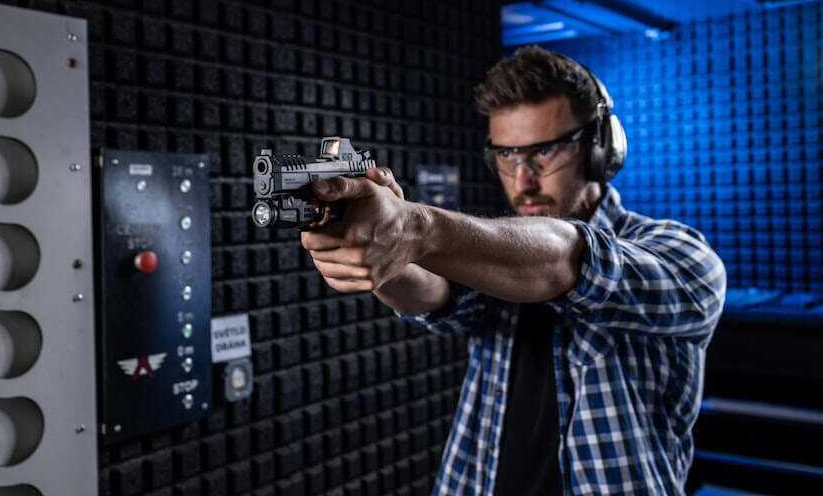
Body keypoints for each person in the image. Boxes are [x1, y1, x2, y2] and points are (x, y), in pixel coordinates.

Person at [300, 45, 726, 495]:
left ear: (600, 149)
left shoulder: (683, 256)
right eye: (507, 155)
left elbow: (570, 261)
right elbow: (438, 296)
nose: (523, 179)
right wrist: (377, 251)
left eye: (545, 153)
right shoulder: (495, 256)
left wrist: (418, 227)